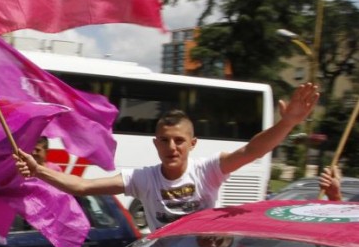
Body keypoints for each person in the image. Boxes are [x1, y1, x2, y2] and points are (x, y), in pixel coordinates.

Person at [17, 82, 319, 232]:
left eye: (179, 141)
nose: (172, 147)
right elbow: (81, 187)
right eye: (165, 140)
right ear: (155, 144)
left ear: (192, 144)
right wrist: (37, 169)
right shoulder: (142, 178)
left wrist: (288, 123)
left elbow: (252, 150)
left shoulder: (209, 170)